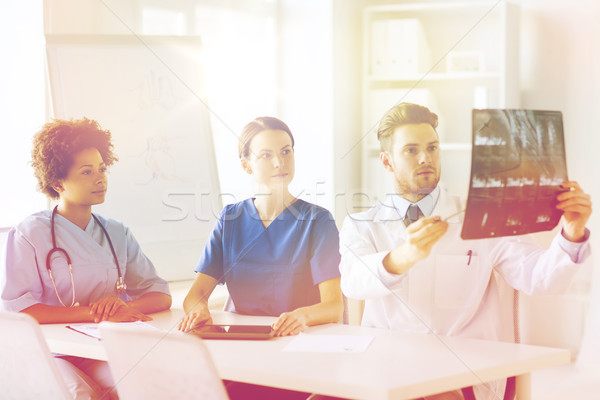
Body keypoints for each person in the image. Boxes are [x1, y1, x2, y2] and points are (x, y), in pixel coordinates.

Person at [338, 103, 592, 400]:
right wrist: (406, 255)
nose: (425, 158)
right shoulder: (361, 224)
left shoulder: (482, 215)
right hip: (387, 371)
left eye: (432, 148)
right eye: (411, 150)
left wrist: (572, 234)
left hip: (460, 376)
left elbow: (539, 278)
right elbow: (353, 282)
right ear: (386, 162)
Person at [0, 117, 172, 399]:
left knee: (139, 385)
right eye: (87, 172)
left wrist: (119, 306)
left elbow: (160, 295)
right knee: (79, 394)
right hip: (50, 350)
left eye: (102, 169)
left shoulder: (117, 232)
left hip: (103, 348)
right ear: (57, 181)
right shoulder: (30, 234)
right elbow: (20, 310)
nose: (100, 178)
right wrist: (93, 312)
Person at [178, 116, 343, 335]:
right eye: (266, 155)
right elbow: (195, 295)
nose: (279, 162)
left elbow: (334, 307)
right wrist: (199, 310)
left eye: (286, 152)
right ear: (247, 166)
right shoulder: (230, 219)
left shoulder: (318, 221)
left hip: (299, 338)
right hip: (243, 337)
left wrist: (301, 316)